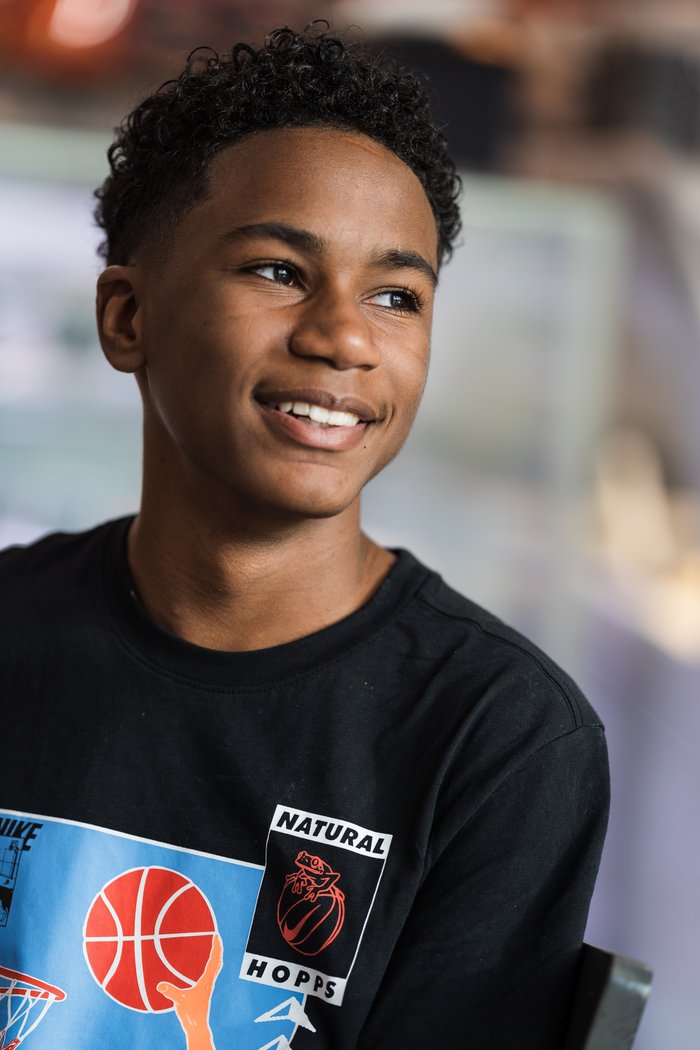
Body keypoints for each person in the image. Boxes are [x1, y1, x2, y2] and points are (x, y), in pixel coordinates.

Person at [0, 24, 609, 1050]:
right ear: (128, 319)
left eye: (396, 296)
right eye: (278, 270)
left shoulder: (499, 737)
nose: (345, 336)